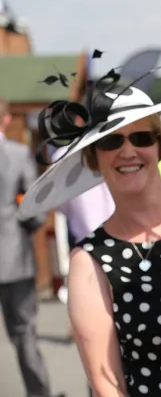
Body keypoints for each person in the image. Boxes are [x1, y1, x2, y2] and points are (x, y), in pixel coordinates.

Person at [19, 65, 161, 396]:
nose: (127, 151)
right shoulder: (90, 260)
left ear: (159, 146)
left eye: (141, 138)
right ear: (94, 158)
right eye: (111, 141)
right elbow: (106, 384)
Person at [0, 97, 59, 397]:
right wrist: (22, 228)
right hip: (15, 258)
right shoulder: (18, 153)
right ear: (7, 119)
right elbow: (35, 207)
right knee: (24, 335)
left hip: (15, 257)